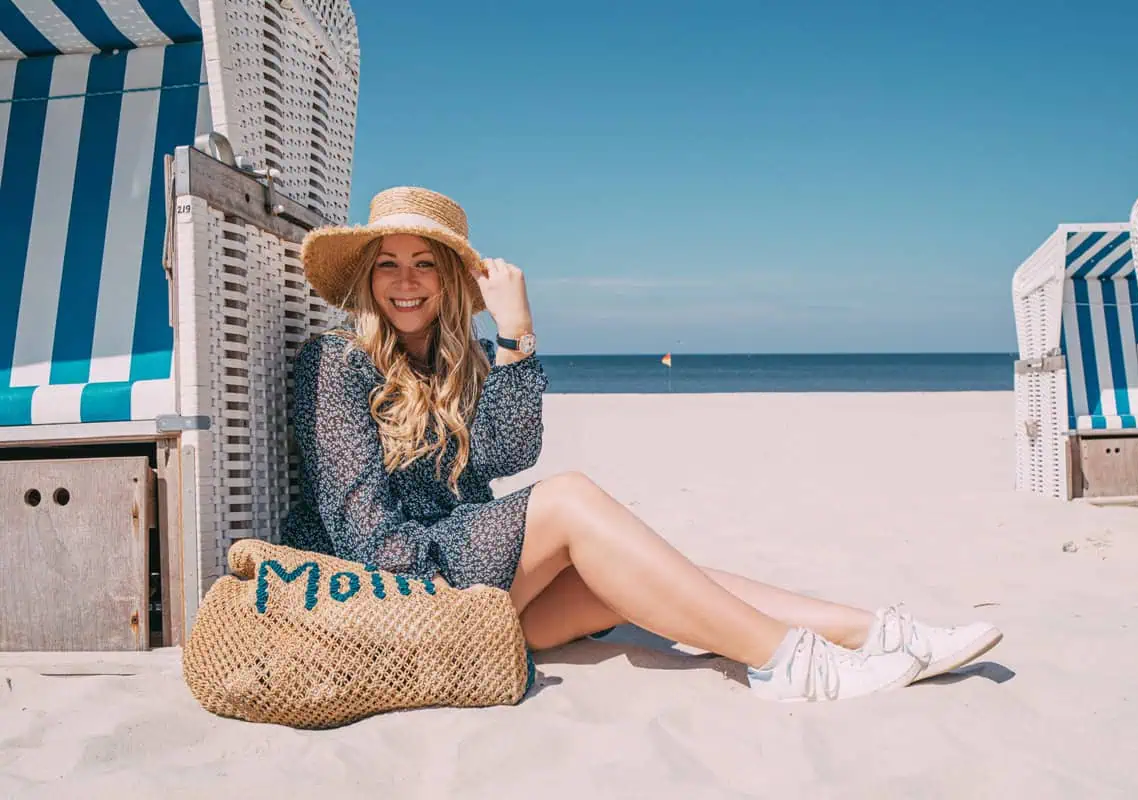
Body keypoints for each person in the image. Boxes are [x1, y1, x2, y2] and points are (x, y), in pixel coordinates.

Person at [281, 186, 1002, 703]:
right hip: (398, 593)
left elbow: (508, 451)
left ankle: (868, 631)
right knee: (569, 501)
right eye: (388, 264)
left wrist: (516, 337)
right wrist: (485, 546)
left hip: (467, 588)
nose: (406, 282)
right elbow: (368, 541)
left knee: (651, 574)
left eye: (425, 264)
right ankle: (791, 666)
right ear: (367, 279)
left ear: (447, 279)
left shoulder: (448, 362)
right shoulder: (334, 365)